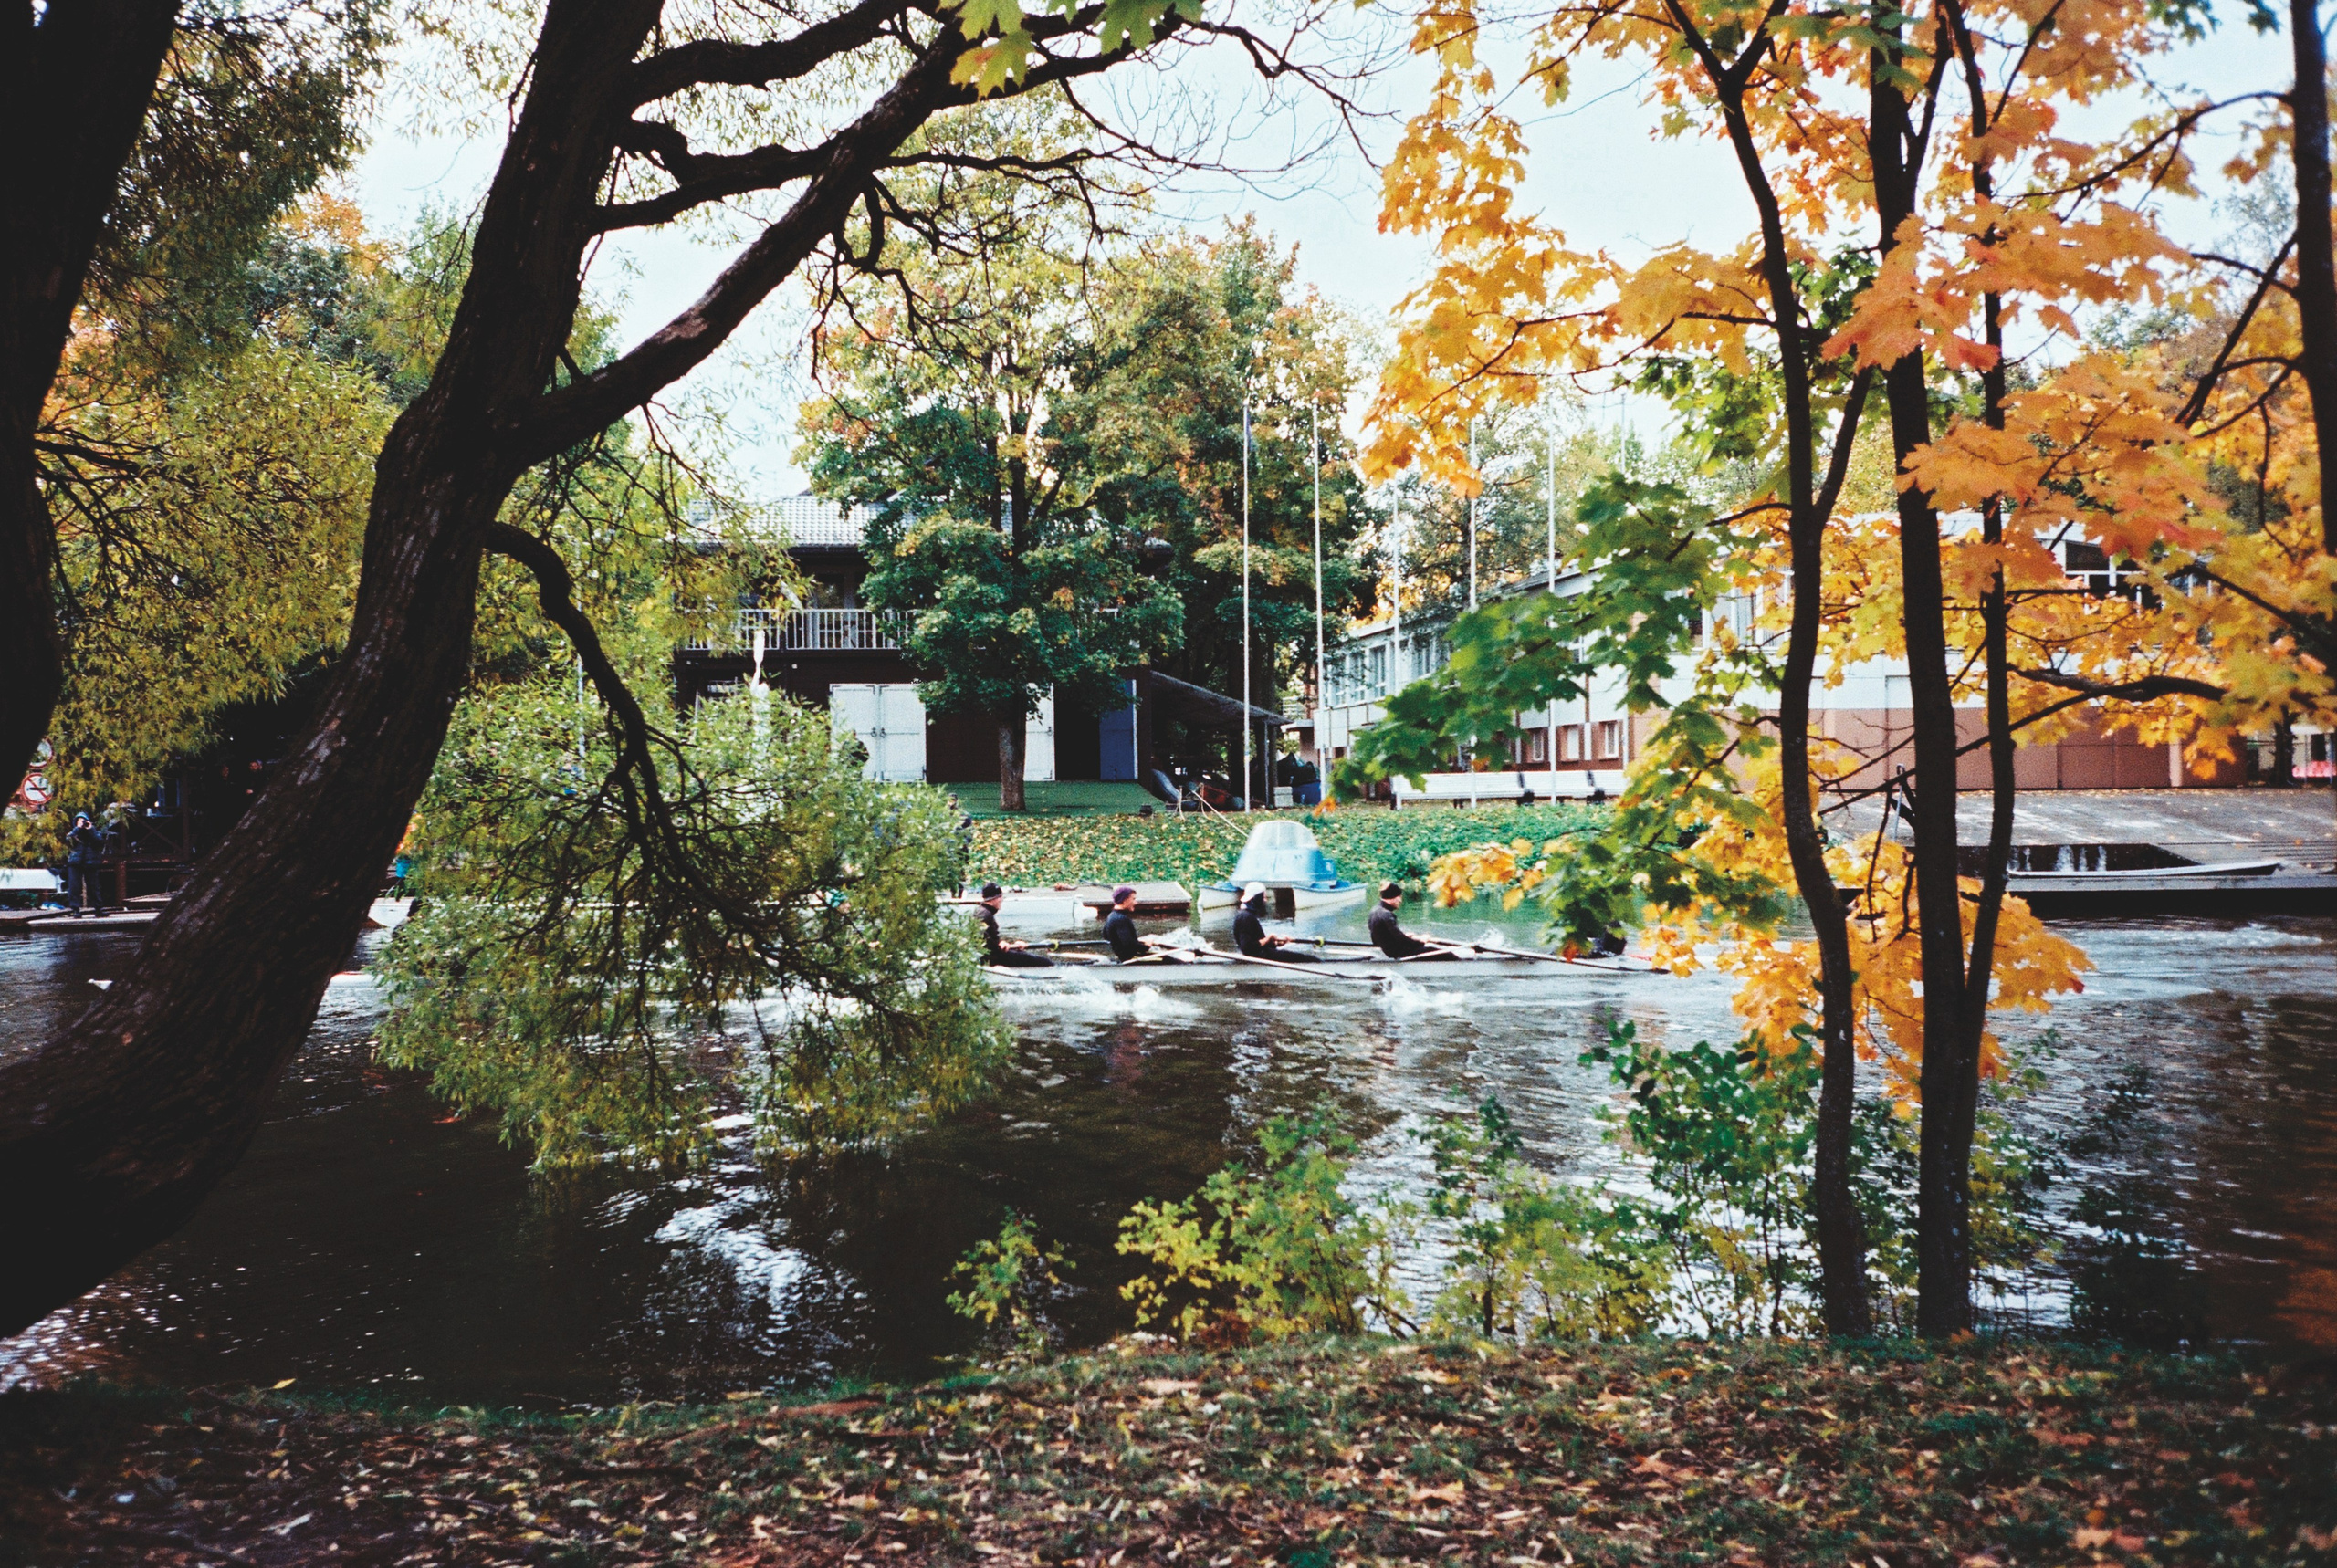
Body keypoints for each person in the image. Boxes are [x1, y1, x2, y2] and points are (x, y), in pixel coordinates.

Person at [975, 883, 1052, 967]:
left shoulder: (982, 911)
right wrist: (999, 945)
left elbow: (989, 938)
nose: (1001, 900)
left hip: (993, 954)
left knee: (1023, 954)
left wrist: (1008, 944)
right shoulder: (984, 914)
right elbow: (982, 937)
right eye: (1000, 897)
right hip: (993, 958)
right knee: (1044, 962)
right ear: (995, 899)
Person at [1232, 882, 1311, 959]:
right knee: (1308, 959)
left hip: (1262, 953)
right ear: (1257, 898)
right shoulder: (1246, 917)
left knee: (1301, 956)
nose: (1265, 900)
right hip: (1260, 957)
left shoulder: (1247, 915)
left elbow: (1256, 944)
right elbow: (1247, 948)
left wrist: (1276, 943)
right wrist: (1268, 938)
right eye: (1263, 897)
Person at [1367, 882, 1436, 959]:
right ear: (1393, 898)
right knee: (1436, 950)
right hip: (1398, 953)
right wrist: (1421, 942)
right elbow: (1401, 939)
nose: (1400, 901)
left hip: (1388, 951)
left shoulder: (1374, 911)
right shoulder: (1387, 915)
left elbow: (1378, 939)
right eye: (1399, 897)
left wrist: (1405, 936)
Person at [64, 811, 110, 917]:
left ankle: (98, 909)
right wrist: (77, 828)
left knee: (94, 886)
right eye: (79, 821)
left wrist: (91, 829)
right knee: (74, 887)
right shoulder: (73, 833)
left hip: (90, 862)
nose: (82, 823)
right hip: (75, 862)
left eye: (84, 821)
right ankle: (75, 909)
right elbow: (68, 840)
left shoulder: (92, 832)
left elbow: (99, 842)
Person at [1102, 884, 1148, 961]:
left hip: (1123, 957)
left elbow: (1105, 935)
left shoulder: (1111, 916)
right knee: (1171, 959)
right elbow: (1129, 945)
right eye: (1133, 899)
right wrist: (1147, 946)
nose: (1136, 902)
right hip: (1130, 959)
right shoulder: (1121, 919)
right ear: (1125, 900)